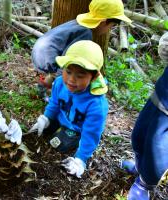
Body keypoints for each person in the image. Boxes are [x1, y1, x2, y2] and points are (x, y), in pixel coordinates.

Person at [29, 40, 109, 178]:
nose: (71, 80)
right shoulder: (60, 83)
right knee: (37, 132)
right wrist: (46, 118)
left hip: (77, 129)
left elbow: (91, 133)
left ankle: (70, 140)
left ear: (94, 76)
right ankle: (53, 126)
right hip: (62, 118)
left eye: (80, 75)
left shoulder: (96, 104)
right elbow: (54, 103)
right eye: (69, 71)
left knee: (60, 144)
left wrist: (81, 159)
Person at [32, 0, 131, 100]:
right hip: (47, 58)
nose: (109, 29)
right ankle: (57, 97)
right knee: (71, 69)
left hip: (39, 52)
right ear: (104, 22)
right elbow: (68, 61)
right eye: (111, 25)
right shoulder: (85, 33)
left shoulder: (79, 23)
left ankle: (43, 86)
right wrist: (63, 82)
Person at [121, 33, 168, 200]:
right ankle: (140, 167)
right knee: (139, 136)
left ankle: (145, 184)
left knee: (158, 151)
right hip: (158, 99)